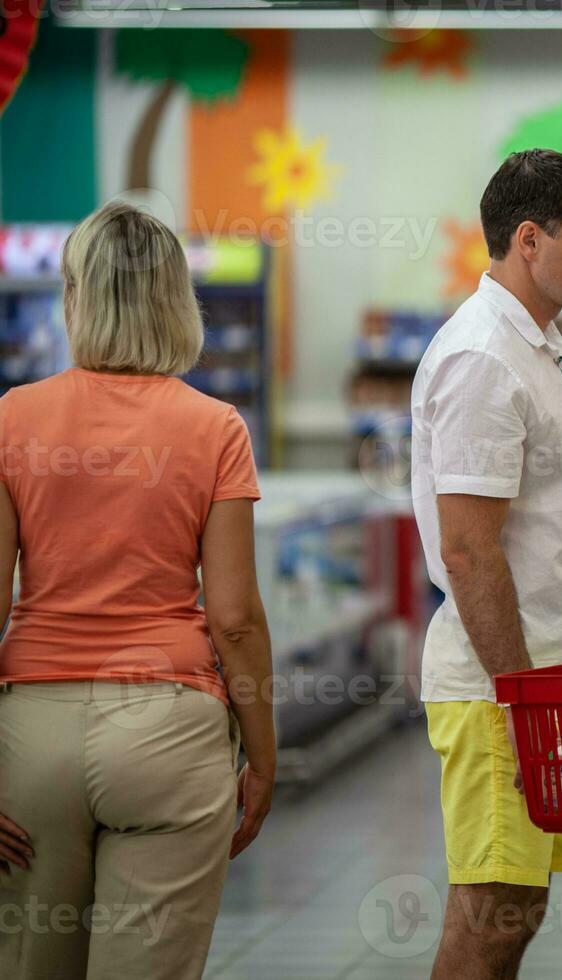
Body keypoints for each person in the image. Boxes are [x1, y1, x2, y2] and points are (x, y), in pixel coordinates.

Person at [0, 200, 275, 979]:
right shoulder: (215, 427)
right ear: (175, 300)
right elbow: (234, 619)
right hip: (168, 734)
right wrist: (264, 758)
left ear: (74, 296)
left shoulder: (12, 418)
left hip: (31, 739)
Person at [410, 149, 562, 980]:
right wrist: (524, 701)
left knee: (519, 904)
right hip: (503, 687)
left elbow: (554, 504)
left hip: (545, 679)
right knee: (493, 907)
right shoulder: (483, 359)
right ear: (529, 239)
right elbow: (469, 550)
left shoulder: (539, 348)